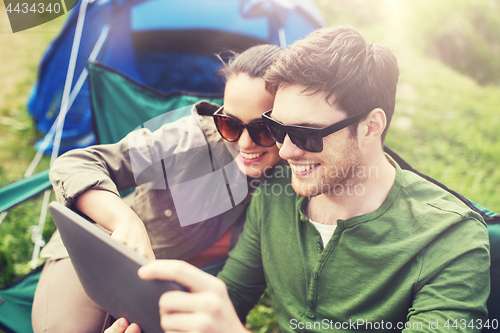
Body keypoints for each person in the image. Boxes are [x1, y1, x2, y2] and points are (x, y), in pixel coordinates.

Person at [106, 25, 491, 333]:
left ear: (371, 126)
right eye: (277, 128)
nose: (286, 152)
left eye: (308, 134)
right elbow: (235, 291)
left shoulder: (450, 241)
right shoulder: (276, 191)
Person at [31, 44, 284, 333]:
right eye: (230, 124)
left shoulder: (299, 174)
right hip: (100, 251)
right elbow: (76, 164)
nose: (244, 143)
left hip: (163, 290)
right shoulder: (188, 140)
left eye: (263, 129)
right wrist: (123, 220)